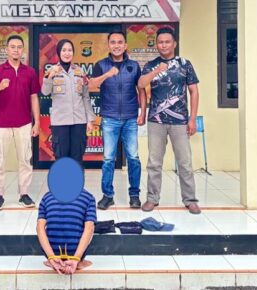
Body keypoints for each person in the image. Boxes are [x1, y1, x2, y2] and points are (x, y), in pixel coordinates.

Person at [137, 27, 201, 215]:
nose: (163, 45)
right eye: (160, 42)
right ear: (156, 44)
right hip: (156, 121)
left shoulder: (185, 64)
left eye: (167, 42)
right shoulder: (151, 65)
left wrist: (192, 119)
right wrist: (157, 70)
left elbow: (194, 91)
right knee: (154, 163)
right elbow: (141, 84)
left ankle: (190, 200)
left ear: (174, 44)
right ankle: (152, 199)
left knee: (185, 162)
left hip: (180, 121)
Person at [89, 32, 146, 210]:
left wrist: (143, 112)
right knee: (108, 159)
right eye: (113, 42)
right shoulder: (101, 65)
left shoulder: (134, 66)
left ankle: (134, 195)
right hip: (110, 118)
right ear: (108, 45)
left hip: (130, 119)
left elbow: (141, 90)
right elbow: (91, 85)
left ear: (125, 45)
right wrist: (107, 74)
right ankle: (107, 196)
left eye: (120, 42)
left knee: (133, 158)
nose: (116, 45)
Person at [0, 35, 40, 210]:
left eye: (19, 47)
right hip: (1, 124)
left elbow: (34, 97)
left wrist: (37, 122)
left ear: (23, 50)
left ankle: (24, 194)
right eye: (12, 47)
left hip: (24, 124)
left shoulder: (29, 72)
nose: (16, 50)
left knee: (25, 160)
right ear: (7, 49)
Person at [37, 158, 95, 275]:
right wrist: (76, 259)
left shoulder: (46, 197)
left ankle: (52, 259)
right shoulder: (89, 198)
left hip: (52, 254)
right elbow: (89, 228)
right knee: (91, 226)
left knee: (43, 227)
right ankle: (79, 260)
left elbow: (39, 228)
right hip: (75, 254)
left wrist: (51, 256)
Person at [42, 39, 95, 165]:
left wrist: (90, 119)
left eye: (70, 50)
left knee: (77, 157)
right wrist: (50, 76)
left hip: (79, 121)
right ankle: (63, 179)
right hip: (60, 122)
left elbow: (85, 97)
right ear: (59, 53)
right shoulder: (52, 70)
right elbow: (45, 92)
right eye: (64, 50)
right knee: (61, 158)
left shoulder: (80, 72)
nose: (67, 53)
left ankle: (77, 179)